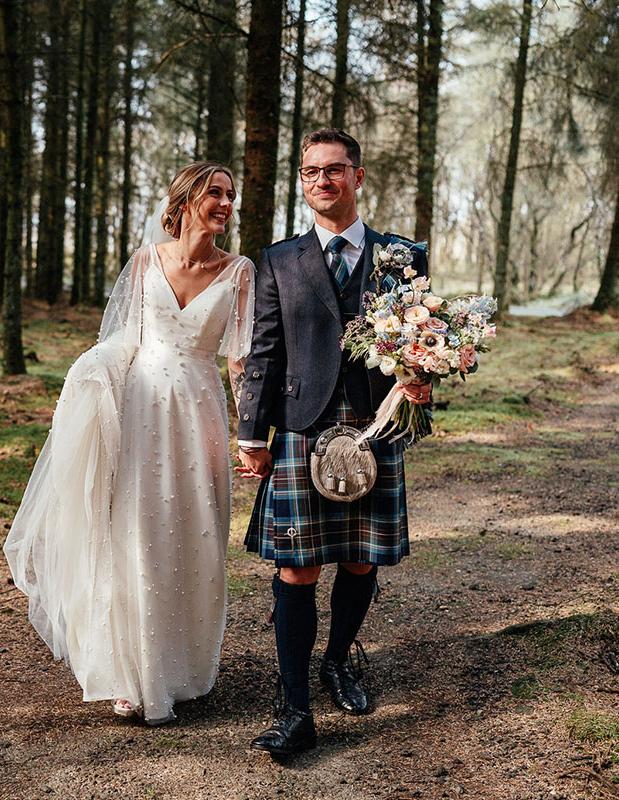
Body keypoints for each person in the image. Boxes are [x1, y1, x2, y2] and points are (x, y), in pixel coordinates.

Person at [4, 162, 255, 725]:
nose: (224, 203)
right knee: (135, 533)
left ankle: (182, 670)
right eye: (214, 192)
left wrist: (250, 433)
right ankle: (126, 671)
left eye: (231, 196)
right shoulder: (145, 260)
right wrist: (88, 379)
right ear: (187, 199)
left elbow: (240, 361)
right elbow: (120, 340)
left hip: (200, 412)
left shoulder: (240, 271)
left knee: (195, 535)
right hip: (140, 412)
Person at [235, 128, 432, 756]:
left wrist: (422, 379)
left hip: (377, 424)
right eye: (313, 171)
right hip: (300, 426)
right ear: (302, 180)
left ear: (359, 176)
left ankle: (338, 660)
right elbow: (264, 351)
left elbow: (420, 336)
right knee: (297, 568)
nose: (324, 180)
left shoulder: (402, 255)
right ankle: (293, 708)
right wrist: (250, 433)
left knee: (360, 559)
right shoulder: (279, 260)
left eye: (336, 170)